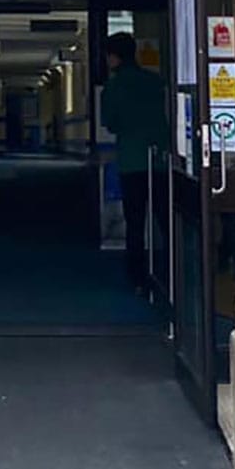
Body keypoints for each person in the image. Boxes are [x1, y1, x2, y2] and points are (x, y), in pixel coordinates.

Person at [100, 32, 167, 292]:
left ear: (114, 57)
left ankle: (137, 275)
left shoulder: (113, 87)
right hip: (160, 158)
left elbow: (111, 123)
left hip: (131, 159)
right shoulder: (155, 81)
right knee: (164, 216)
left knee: (135, 221)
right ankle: (171, 269)